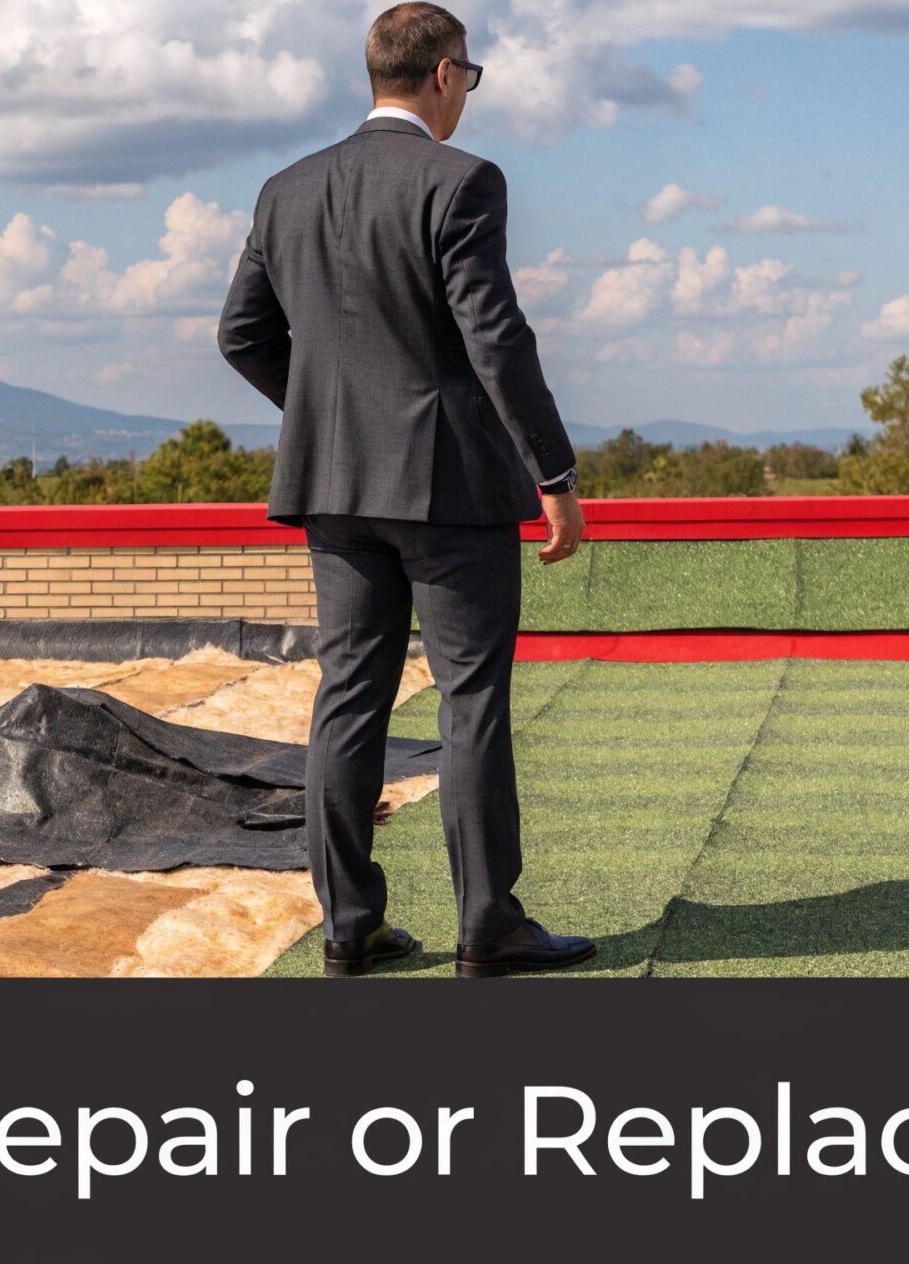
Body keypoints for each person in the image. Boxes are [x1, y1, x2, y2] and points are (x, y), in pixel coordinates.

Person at [218, 2, 595, 979]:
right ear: (440, 75)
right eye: (467, 76)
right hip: (448, 486)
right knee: (470, 701)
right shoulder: (460, 181)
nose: (465, 93)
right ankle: (488, 925)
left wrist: (325, 413)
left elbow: (241, 335)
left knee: (348, 697)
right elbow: (495, 337)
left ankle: (348, 927)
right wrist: (550, 471)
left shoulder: (285, 188)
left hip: (330, 488)